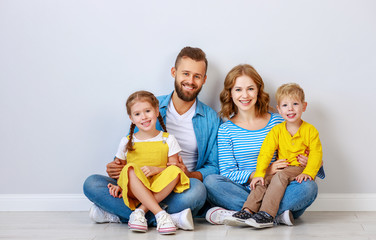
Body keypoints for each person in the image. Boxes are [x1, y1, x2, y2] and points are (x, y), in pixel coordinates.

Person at [83, 47, 221, 230]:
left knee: (198, 192)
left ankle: (126, 215)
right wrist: (118, 169)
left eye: (197, 76)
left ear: (204, 80)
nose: (190, 81)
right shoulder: (148, 106)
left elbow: (214, 166)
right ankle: (170, 217)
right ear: (174, 72)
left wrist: (188, 174)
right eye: (185, 73)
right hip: (140, 182)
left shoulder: (211, 119)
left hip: (176, 187)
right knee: (91, 183)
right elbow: (133, 148)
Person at [204, 64, 325, 226]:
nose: (245, 95)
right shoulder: (226, 129)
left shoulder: (277, 120)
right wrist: (263, 172)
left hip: (280, 186)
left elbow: (306, 150)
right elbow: (227, 173)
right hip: (245, 190)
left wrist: (308, 162)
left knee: (308, 188)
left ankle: (247, 213)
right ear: (230, 93)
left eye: (250, 89)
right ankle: (273, 214)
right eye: (238, 89)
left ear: (258, 91)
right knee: (211, 182)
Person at [107, 90, 190, 234]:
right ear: (131, 118)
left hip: (160, 188)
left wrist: (156, 170)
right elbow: (120, 170)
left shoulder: (168, 139)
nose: (143, 117)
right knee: (129, 169)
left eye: (147, 111)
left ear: (157, 111)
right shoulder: (127, 141)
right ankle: (161, 214)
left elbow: (174, 168)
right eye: (137, 114)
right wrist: (119, 185)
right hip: (135, 190)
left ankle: (139, 212)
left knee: (176, 171)